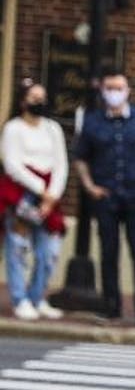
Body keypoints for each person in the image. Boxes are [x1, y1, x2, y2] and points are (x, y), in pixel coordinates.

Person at [72, 70, 135, 325]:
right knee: (108, 252)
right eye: (110, 87)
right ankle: (111, 305)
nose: (115, 92)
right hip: (106, 194)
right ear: (103, 91)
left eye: (119, 87)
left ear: (128, 90)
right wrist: (90, 186)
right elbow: (81, 157)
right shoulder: (92, 122)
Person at [2, 80, 69, 321]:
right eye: (34, 97)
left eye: (42, 97)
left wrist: (52, 194)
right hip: (22, 193)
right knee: (18, 248)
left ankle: (37, 296)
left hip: (50, 196)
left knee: (49, 251)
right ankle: (20, 299)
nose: (39, 102)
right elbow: (12, 165)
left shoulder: (53, 129)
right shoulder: (13, 128)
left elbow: (61, 164)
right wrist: (41, 190)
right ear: (22, 101)